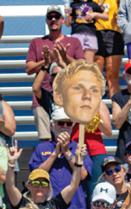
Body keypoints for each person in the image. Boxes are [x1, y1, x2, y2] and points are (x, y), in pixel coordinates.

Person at [25, 108, 92, 209]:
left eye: (68, 123)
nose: (65, 126)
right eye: (61, 123)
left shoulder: (79, 147)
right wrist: (55, 153)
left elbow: (82, 175)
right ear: (52, 126)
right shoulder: (41, 148)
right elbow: (36, 175)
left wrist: (67, 152)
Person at [26, 6, 84, 141]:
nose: (53, 19)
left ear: (62, 20)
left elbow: (83, 67)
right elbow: (29, 68)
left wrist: (65, 57)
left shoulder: (74, 42)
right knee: (46, 139)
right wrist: (46, 61)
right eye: (50, 17)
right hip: (42, 98)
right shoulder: (36, 42)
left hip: (68, 98)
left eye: (56, 17)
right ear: (46, 21)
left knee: (68, 138)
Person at [94, 0, 123, 98]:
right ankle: (95, 105)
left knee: (112, 76)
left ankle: (116, 106)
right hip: (96, 33)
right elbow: (83, 13)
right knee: (96, 76)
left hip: (114, 33)